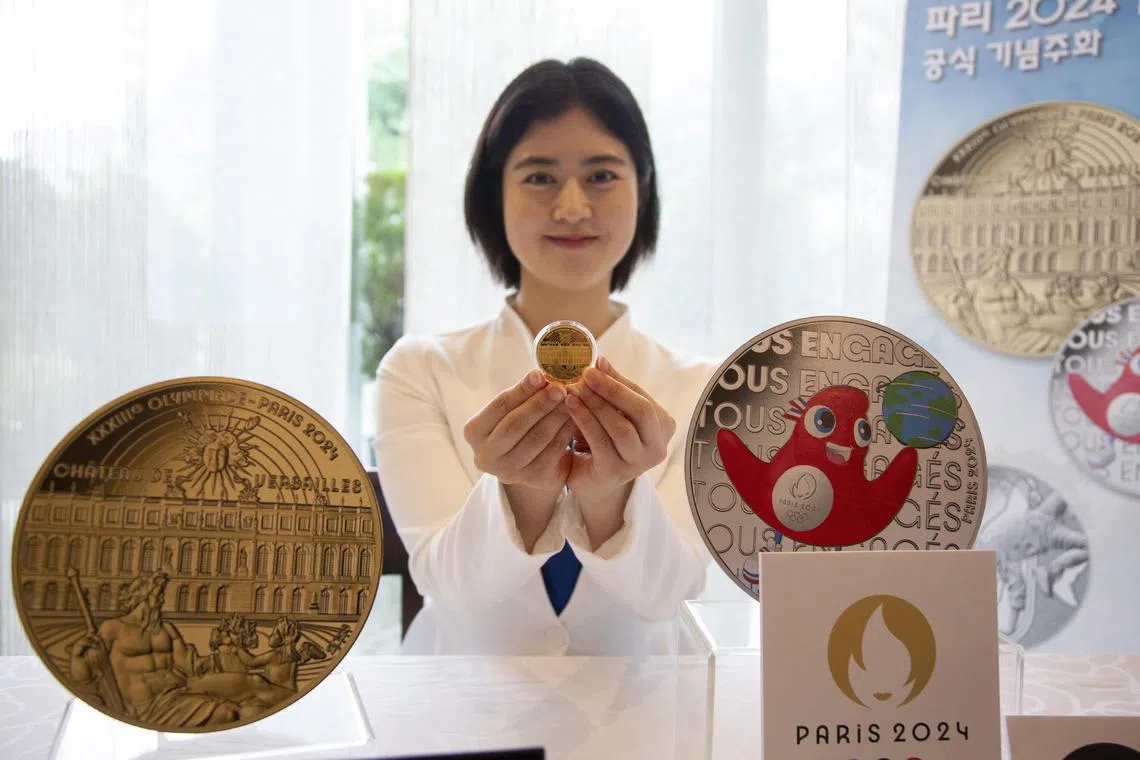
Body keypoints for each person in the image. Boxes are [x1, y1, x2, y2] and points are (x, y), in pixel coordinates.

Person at [374, 57, 718, 655]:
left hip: (647, 720)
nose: (572, 207)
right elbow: (445, 582)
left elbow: (670, 593)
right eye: (538, 177)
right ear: (493, 194)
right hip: (460, 718)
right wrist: (517, 493)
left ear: (643, 188)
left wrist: (612, 498)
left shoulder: (704, 387)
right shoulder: (419, 369)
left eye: (603, 175)